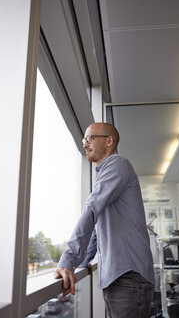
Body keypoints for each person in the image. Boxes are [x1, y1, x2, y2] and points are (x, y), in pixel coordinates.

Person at [54, 122, 155, 318]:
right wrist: (82, 262)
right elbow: (96, 228)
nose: (85, 144)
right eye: (84, 139)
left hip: (128, 277)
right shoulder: (108, 175)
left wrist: (68, 260)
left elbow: (91, 208)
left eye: (90, 138)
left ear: (109, 141)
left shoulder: (118, 164)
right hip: (118, 279)